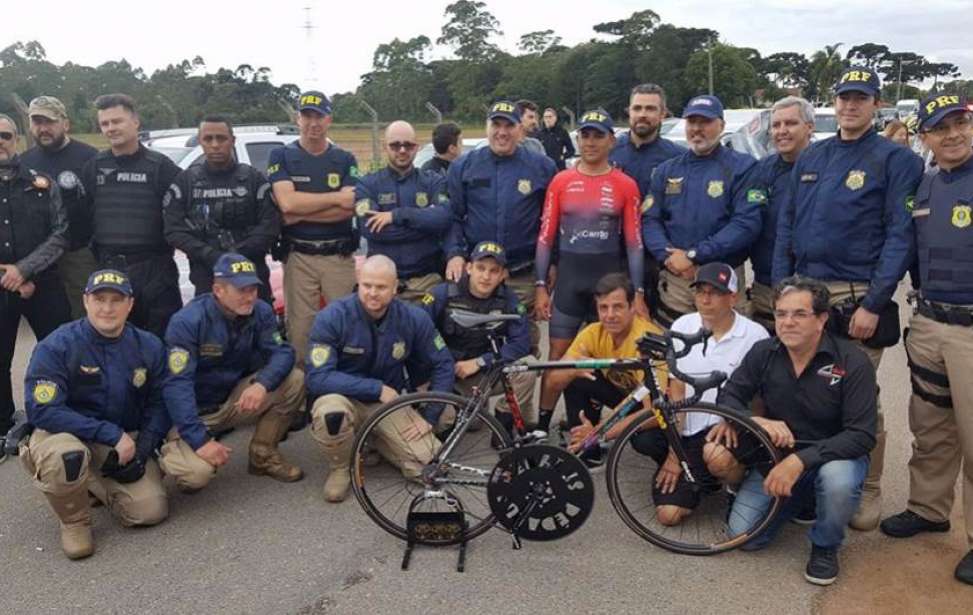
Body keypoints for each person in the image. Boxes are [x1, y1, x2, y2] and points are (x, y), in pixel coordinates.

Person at [772, 67, 925, 530]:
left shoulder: (896, 160)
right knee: (804, 394)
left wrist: (874, 303)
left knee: (860, 400)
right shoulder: (814, 155)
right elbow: (787, 227)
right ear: (833, 103)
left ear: (876, 104)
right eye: (844, 97)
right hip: (805, 292)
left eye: (861, 98)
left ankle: (868, 487)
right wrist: (782, 290)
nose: (850, 105)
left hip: (855, 299)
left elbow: (900, 236)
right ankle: (811, 483)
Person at [719, 276, 876, 586]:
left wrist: (799, 461)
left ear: (821, 320)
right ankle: (802, 499)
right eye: (781, 314)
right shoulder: (763, 352)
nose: (787, 322)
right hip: (778, 455)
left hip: (834, 455)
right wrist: (759, 422)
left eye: (799, 314)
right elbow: (728, 398)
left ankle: (825, 545)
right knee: (744, 538)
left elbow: (862, 434)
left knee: (837, 481)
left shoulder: (853, 361)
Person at [879, 95, 973, 586]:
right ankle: (929, 509)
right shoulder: (926, 185)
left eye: (960, 124)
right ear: (926, 137)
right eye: (941, 129)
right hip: (930, 323)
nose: (953, 135)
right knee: (932, 427)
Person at [19, 269, 170, 559]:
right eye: (100, 299)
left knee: (150, 510)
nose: (108, 308)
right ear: (86, 300)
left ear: (130, 304)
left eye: (117, 300)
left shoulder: (148, 345)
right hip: (64, 434)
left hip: (117, 441)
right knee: (66, 458)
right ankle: (75, 519)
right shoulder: (57, 345)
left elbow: (159, 402)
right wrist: (111, 434)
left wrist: (143, 448)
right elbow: (43, 410)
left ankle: (88, 480)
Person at [305, 255, 454, 502]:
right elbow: (317, 378)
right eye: (367, 285)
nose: (373, 293)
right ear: (358, 282)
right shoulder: (332, 317)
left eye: (381, 287)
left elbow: (443, 363)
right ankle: (342, 467)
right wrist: (375, 388)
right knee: (330, 414)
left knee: (432, 467)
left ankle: (373, 441)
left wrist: (429, 416)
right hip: (344, 397)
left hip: (387, 404)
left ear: (395, 287)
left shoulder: (414, 318)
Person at [159, 254, 305, 492]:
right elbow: (177, 387)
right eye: (241, 290)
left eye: (252, 289)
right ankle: (165, 456)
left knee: (295, 379)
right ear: (218, 290)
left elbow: (283, 353)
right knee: (195, 476)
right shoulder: (187, 322)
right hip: (195, 412)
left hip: (231, 401)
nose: (249, 297)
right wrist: (200, 441)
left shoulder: (261, 311)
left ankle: (263, 455)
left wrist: (262, 384)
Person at [444, 100, 557, 357]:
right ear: (487, 127)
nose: (502, 132)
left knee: (523, 348)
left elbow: (551, 222)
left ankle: (521, 398)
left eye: (509, 125)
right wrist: (455, 253)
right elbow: (453, 216)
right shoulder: (463, 166)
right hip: (478, 273)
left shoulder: (542, 167)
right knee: (472, 342)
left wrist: (552, 264)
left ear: (520, 129)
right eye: (496, 124)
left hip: (522, 274)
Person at [535, 109, 646, 362]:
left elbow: (634, 244)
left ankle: (596, 402)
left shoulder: (626, 184)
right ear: (578, 139)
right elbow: (545, 238)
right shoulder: (560, 181)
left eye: (598, 135)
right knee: (557, 359)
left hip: (608, 284)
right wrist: (541, 286)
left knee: (610, 359)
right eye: (585, 135)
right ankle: (546, 405)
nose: (591, 142)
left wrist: (638, 293)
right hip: (568, 285)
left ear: (612, 141)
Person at [643, 94, 760, 326]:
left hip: (722, 279)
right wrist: (669, 258)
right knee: (674, 348)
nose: (697, 129)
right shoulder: (667, 169)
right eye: (692, 122)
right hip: (678, 279)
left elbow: (746, 224)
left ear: (721, 125)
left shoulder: (743, 167)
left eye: (705, 122)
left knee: (726, 348)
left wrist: (693, 256)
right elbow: (649, 219)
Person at [268, 91, 359, 366]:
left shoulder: (345, 159)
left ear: (328, 119)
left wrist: (301, 210)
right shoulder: (281, 155)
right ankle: (302, 394)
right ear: (298, 119)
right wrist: (334, 200)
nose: (313, 123)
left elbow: (350, 206)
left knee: (344, 327)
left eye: (319, 116)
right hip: (299, 257)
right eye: (307, 116)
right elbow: (286, 203)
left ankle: (343, 387)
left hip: (337, 256)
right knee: (300, 330)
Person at [80, 93, 183, 338]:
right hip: (109, 268)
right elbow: (85, 216)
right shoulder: (94, 167)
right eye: (105, 124)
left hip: (155, 269)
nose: (111, 128)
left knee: (163, 342)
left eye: (117, 121)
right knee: (113, 342)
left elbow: (182, 211)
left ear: (135, 122)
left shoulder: (161, 166)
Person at [536, 272, 665, 465]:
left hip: (658, 407)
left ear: (632, 308)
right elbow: (553, 381)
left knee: (645, 440)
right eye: (603, 308)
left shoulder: (646, 340)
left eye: (618, 307)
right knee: (574, 375)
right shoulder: (593, 333)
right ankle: (587, 451)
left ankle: (673, 464)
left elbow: (656, 412)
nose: (610, 315)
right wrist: (571, 371)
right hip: (627, 397)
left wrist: (599, 434)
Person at [1, 112, 71, 441]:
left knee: (60, 350)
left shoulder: (41, 184)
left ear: (17, 140)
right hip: (1, 285)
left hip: (42, 282)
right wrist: (9, 276)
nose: (0, 142)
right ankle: (3, 424)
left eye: (5, 136)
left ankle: (61, 412)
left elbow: (60, 235)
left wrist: (24, 271)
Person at [420, 241, 535, 436]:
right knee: (444, 421)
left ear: (502, 275)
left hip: (484, 373)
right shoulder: (442, 294)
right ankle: (457, 411)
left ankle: (502, 429)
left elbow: (521, 343)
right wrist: (442, 366)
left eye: (494, 271)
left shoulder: (509, 300)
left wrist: (480, 362)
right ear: (469, 268)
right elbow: (420, 334)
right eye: (481, 268)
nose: (486, 276)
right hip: (446, 374)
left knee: (528, 367)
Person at [164, 116, 279, 303]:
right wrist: (211, 255)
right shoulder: (186, 181)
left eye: (221, 138)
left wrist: (237, 255)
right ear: (200, 141)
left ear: (232, 141)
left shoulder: (253, 179)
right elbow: (173, 230)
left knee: (259, 327)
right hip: (207, 275)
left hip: (250, 272)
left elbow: (270, 225)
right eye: (208, 139)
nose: (215, 145)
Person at [610, 83, 687, 316]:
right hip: (613, 254)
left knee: (653, 326)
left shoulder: (677, 158)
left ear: (663, 113)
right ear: (629, 111)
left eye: (651, 109)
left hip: (655, 257)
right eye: (637, 108)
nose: (643, 114)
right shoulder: (610, 150)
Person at [355, 120, 451, 302]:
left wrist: (396, 216)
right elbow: (370, 230)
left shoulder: (433, 182)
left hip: (427, 282)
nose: (402, 150)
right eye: (395, 145)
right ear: (385, 147)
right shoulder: (367, 184)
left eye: (408, 145)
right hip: (382, 286)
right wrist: (423, 225)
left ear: (417, 147)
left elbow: (443, 219)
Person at [20, 96, 98, 319]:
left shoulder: (90, 157)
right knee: (49, 322)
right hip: (39, 258)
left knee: (86, 317)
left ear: (65, 123)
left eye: (50, 122)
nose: (43, 129)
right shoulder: (24, 163)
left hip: (79, 254)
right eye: (37, 122)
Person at [747, 96, 815, 331]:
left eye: (790, 123)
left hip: (813, 285)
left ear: (809, 127)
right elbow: (750, 220)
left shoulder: (826, 167)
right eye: (776, 125)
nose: (782, 131)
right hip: (766, 287)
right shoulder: (762, 169)